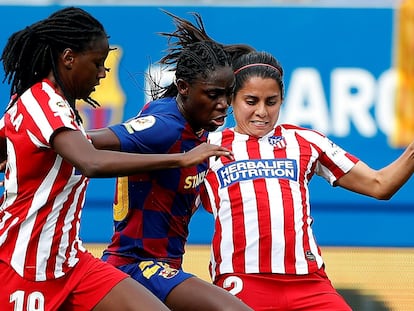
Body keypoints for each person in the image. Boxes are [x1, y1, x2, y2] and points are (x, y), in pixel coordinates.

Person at [0, 7, 233, 311]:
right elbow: (91, 163)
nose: (103, 73)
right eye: (97, 63)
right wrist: (179, 160)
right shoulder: (44, 104)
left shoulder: (49, 106)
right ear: (68, 59)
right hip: (25, 264)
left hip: (70, 263)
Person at [200, 48, 414, 310]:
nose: (262, 112)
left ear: (282, 100)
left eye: (271, 101)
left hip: (309, 284)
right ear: (232, 100)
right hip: (243, 280)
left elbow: (380, 185)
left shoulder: (306, 141)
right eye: (251, 100)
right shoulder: (207, 145)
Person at [88, 11, 252, 311]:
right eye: (214, 95)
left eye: (228, 94)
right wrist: (22, 146)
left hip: (164, 267)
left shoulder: (194, 124)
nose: (224, 104)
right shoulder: (165, 126)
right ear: (184, 88)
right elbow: (87, 142)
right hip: (136, 266)